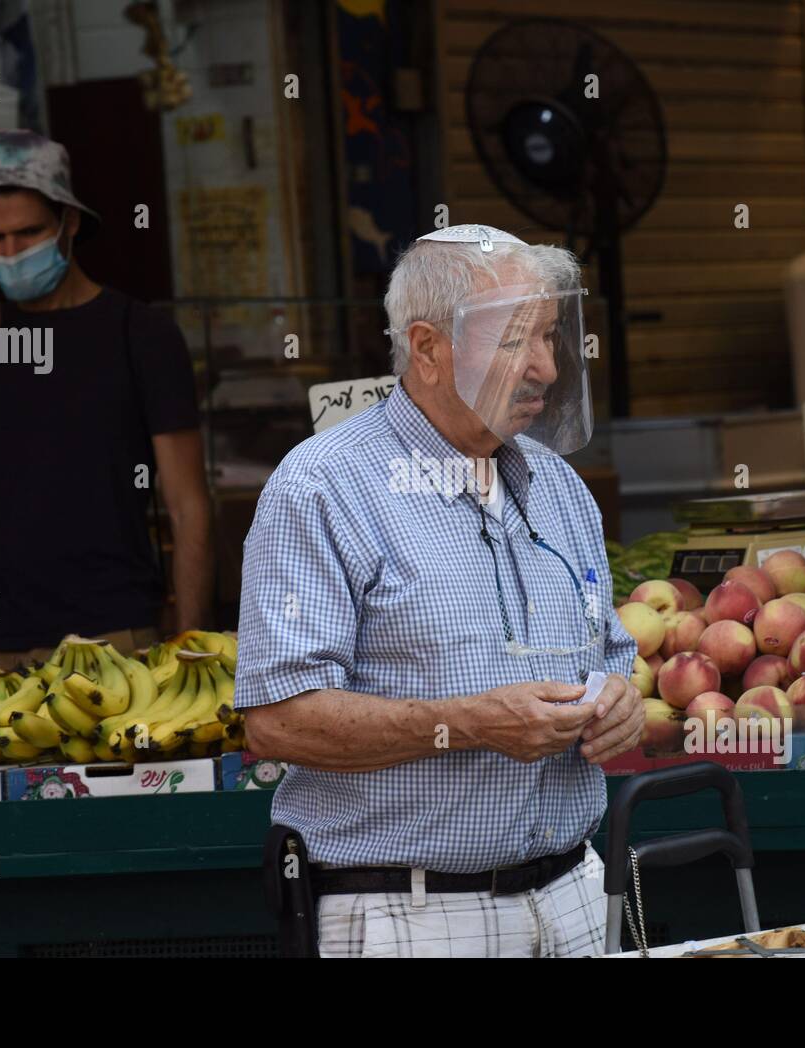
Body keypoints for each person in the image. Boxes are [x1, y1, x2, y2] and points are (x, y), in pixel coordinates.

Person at [235, 224, 643, 958]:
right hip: (414, 915)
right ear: (426, 349)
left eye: (552, 337)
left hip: (579, 893)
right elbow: (276, 723)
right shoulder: (322, 488)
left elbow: (612, 656)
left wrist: (618, 704)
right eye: (517, 341)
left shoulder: (559, 487)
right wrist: (467, 723)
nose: (548, 369)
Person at [0, 130, 212, 674]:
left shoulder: (140, 334)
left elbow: (189, 507)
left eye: (28, 233)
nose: (11, 252)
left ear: (69, 223)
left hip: (118, 638)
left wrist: (189, 652)